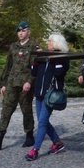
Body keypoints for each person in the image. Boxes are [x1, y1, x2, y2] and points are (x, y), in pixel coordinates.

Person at [0, 21, 38, 150]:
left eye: (23, 31)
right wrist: (3, 83)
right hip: (11, 83)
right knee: (6, 109)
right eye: (19, 31)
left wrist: (29, 82)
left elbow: (35, 67)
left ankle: (29, 135)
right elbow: (8, 65)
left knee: (26, 110)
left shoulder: (33, 47)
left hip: (25, 84)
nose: (21, 33)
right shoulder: (13, 46)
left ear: (28, 32)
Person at [25, 33, 70, 161]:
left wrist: (55, 60)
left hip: (50, 95)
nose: (47, 43)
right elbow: (34, 73)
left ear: (56, 43)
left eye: (49, 41)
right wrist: (36, 60)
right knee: (42, 121)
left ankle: (35, 149)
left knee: (43, 122)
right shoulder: (44, 57)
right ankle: (57, 142)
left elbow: (59, 73)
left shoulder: (62, 57)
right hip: (39, 93)